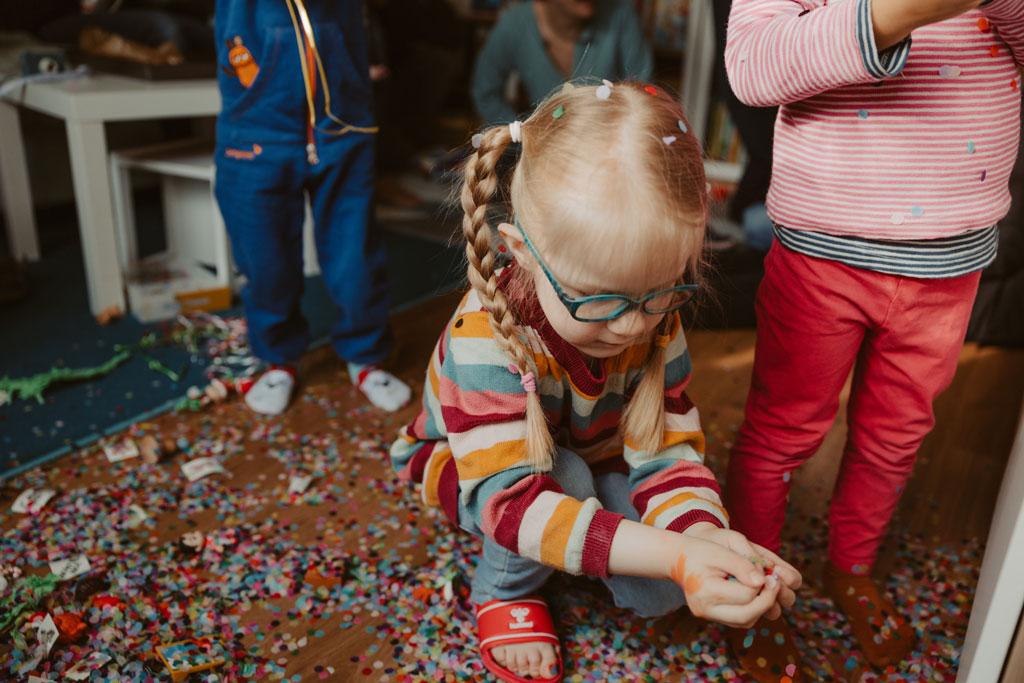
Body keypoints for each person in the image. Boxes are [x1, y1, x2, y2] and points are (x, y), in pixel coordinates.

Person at [389, 82, 802, 683]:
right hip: (476, 473)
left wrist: (706, 540)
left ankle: (579, 539)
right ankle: (505, 592)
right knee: (566, 478)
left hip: (592, 453)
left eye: (661, 292)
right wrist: (672, 554)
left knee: (663, 593)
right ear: (521, 252)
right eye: (598, 299)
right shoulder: (484, 337)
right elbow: (509, 503)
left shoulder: (655, 321)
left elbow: (667, 454)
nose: (633, 324)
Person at [721, 0, 1023, 679]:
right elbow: (751, 66)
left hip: (948, 264)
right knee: (781, 430)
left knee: (897, 434)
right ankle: (749, 587)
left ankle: (851, 566)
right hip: (820, 255)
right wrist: (887, 17)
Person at [213, 0, 411, 415]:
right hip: (255, 126)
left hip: (341, 121)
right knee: (263, 257)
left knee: (355, 253)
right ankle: (278, 357)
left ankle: (366, 353)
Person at [471, 0, 653, 125]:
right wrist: (521, 136)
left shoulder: (620, 14)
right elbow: (485, 92)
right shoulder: (514, 25)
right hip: (544, 157)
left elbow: (645, 93)